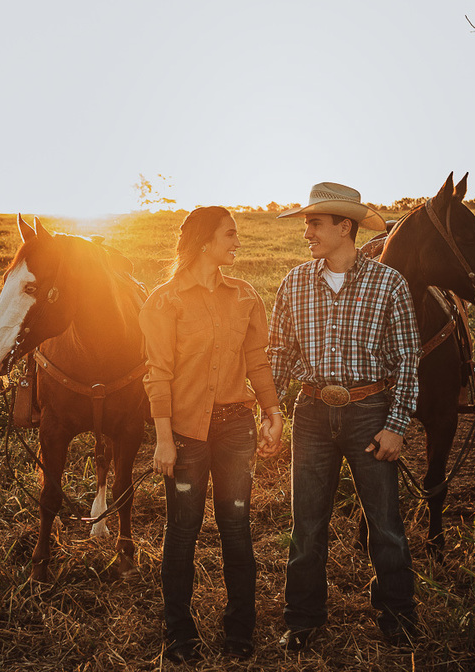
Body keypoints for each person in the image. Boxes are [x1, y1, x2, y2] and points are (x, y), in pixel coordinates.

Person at [267, 182, 423, 652]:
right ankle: (303, 620)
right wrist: (273, 411)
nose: (307, 232)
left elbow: (408, 360)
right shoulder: (294, 282)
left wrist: (396, 426)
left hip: (369, 412)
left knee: (385, 524)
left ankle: (397, 615)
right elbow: (278, 352)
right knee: (307, 524)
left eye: (315, 223)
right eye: (308, 223)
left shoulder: (388, 283)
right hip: (312, 413)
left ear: (344, 227)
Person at [139, 206, 285, 663]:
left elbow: (257, 361)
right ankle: (179, 631)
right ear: (205, 241)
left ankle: (240, 628)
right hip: (184, 436)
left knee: (236, 527)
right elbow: (157, 374)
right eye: (230, 234)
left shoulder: (245, 297)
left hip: (235, 430)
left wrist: (272, 410)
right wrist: (164, 437)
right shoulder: (164, 302)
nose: (238, 242)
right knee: (182, 530)